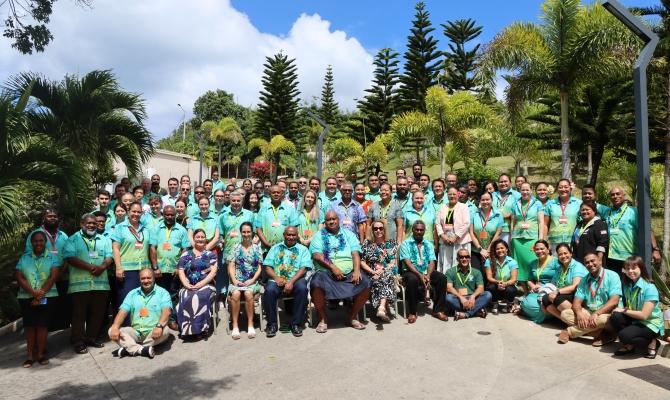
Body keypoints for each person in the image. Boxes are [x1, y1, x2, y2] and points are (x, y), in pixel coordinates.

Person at [309, 211, 371, 332]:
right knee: (315, 284)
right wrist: (333, 267)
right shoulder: (319, 235)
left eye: (334, 219)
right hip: (326, 272)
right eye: (328, 220)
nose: (331, 221)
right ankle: (323, 318)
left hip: (348, 272)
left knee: (366, 283)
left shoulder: (349, 234)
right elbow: (317, 255)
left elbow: (355, 253)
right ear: (325, 222)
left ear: (339, 220)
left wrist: (357, 270)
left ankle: (351, 317)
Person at [63, 214, 113, 354]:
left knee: (97, 313)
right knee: (79, 315)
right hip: (80, 286)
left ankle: (91, 338)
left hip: (100, 284)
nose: (92, 225)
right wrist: (90, 267)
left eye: (94, 223)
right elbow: (70, 257)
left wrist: (102, 267)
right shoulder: (73, 239)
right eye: (89, 223)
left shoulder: (104, 239)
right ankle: (78, 341)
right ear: (82, 223)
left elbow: (110, 256)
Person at [557, 252, 621, 345]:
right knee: (565, 314)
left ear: (599, 261)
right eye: (587, 263)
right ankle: (603, 334)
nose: (590, 264)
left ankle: (569, 331)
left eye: (592, 261)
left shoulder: (612, 275)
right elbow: (576, 302)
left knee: (603, 320)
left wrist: (597, 313)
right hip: (590, 313)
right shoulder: (584, 280)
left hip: (607, 314)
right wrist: (579, 314)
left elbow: (614, 301)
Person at [16, 231, 59, 367]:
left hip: (48, 296)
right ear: (31, 242)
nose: (38, 243)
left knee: (42, 326)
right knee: (30, 326)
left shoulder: (52, 257)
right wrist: (33, 293)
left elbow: (53, 276)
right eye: (35, 241)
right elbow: (19, 276)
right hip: (26, 297)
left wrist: (40, 293)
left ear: (45, 242)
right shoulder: (24, 258)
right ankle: (29, 356)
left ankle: (40, 354)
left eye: (41, 240)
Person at [108, 268, 171, 358]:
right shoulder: (132, 293)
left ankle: (129, 347)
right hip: (136, 332)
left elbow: (166, 311)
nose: (146, 281)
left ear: (154, 278)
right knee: (111, 331)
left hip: (154, 331)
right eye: (143, 278)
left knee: (165, 331)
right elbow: (122, 312)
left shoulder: (163, 293)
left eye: (149, 278)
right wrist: (115, 326)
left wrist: (159, 326)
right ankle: (141, 349)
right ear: (139, 280)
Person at [611, 256, 664, 358]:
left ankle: (653, 341)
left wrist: (623, 310)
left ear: (641, 268)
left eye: (634, 268)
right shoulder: (628, 285)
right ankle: (630, 345)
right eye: (627, 268)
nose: (630, 271)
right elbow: (623, 302)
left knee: (624, 335)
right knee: (615, 316)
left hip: (650, 323)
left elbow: (644, 315)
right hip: (636, 319)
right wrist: (619, 308)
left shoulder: (649, 287)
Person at [25, 209, 70, 330]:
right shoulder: (35, 234)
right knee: (45, 306)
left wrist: (62, 271)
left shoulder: (63, 235)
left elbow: (69, 254)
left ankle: (59, 329)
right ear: (44, 218)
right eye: (49, 216)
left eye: (55, 216)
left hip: (62, 276)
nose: (52, 218)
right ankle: (44, 330)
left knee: (61, 304)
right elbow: (29, 255)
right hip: (44, 278)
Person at [263, 227, 312, 337]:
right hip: (278, 279)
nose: (291, 237)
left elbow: (304, 268)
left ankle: (296, 323)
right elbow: (267, 267)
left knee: (302, 288)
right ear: (284, 235)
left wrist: (291, 282)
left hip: (296, 279)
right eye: (288, 235)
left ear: (297, 235)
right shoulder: (275, 248)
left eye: (293, 235)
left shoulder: (303, 249)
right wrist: (276, 278)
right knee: (269, 290)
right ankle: (272, 324)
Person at [603, 187, 662, 274]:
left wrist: (655, 250)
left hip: (629, 257)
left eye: (618, 194)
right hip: (611, 257)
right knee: (615, 284)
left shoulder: (634, 212)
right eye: (612, 195)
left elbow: (648, 230)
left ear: (624, 195)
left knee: (630, 283)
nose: (615, 196)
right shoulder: (607, 212)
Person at [399, 220, 448, 323]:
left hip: (426, 270)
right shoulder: (405, 243)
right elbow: (407, 262)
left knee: (442, 278)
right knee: (412, 280)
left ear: (425, 231)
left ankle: (438, 310)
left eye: (421, 230)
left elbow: (431, 261)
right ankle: (412, 312)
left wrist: (428, 275)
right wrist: (420, 274)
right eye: (417, 229)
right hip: (410, 271)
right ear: (412, 230)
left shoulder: (429, 244)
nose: (419, 231)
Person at [175, 229, 217, 339]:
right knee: (185, 295)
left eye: (202, 237)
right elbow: (180, 271)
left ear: (206, 239)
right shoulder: (185, 254)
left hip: (207, 285)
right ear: (193, 239)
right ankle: (186, 329)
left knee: (201, 295)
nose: (200, 239)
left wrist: (201, 284)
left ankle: (202, 329)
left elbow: (213, 272)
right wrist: (185, 284)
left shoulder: (210, 255)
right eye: (197, 237)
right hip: (188, 285)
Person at [226, 222, 263, 339]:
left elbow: (259, 267)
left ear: (252, 232)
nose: (246, 234)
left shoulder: (257, 248)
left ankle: (250, 324)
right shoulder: (235, 247)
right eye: (244, 232)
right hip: (237, 280)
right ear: (241, 233)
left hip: (252, 281)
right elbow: (231, 265)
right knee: (236, 294)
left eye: (248, 232)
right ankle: (236, 325)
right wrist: (234, 280)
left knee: (248, 293)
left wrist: (252, 280)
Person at [111, 202, 151, 309]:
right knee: (126, 301)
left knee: (142, 301)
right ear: (128, 212)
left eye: (139, 212)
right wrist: (118, 268)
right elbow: (115, 248)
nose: (136, 214)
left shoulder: (145, 229)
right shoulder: (120, 228)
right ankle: (125, 325)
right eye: (133, 211)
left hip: (144, 271)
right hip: (127, 271)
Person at [360, 220, 399, 323]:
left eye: (380, 228)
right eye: (375, 228)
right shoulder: (367, 243)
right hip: (372, 273)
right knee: (380, 280)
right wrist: (373, 272)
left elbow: (393, 262)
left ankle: (381, 307)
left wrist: (382, 271)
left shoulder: (391, 243)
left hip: (388, 270)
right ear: (372, 230)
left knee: (386, 276)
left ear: (384, 229)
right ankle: (384, 307)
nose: (378, 230)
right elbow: (362, 262)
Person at [541, 243, 588, 321]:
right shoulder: (560, 268)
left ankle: (580, 319)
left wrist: (557, 292)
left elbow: (575, 286)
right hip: (566, 294)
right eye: (560, 254)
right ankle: (568, 321)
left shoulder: (577, 266)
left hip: (580, 295)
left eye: (565, 253)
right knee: (545, 299)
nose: (563, 256)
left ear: (571, 253)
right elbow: (553, 284)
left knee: (556, 298)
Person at [149, 205, 190, 294]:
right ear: (163, 215)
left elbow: (185, 249)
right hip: (159, 270)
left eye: (172, 215)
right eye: (167, 215)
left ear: (175, 215)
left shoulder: (182, 230)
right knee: (159, 294)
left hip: (174, 270)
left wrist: (179, 267)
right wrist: (155, 268)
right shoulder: (156, 229)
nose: (169, 217)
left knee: (174, 295)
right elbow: (152, 248)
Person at [510, 182, 545, 282]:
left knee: (532, 262)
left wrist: (541, 239)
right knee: (519, 264)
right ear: (520, 191)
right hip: (518, 238)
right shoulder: (515, 204)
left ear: (531, 190)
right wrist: (511, 236)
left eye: (527, 190)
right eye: (522, 190)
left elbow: (541, 222)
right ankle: (524, 290)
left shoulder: (537, 203)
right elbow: (513, 221)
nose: (525, 192)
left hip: (532, 238)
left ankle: (533, 286)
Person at [445, 248, 492, 320]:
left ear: (470, 258)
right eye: (461, 257)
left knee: (488, 295)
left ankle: (466, 314)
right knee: (448, 298)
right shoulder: (450, 271)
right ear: (457, 259)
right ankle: (476, 311)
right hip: (458, 299)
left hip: (472, 299)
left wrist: (473, 296)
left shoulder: (476, 272)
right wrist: (461, 297)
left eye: (467, 257)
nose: (464, 259)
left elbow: (481, 288)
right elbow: (449, 288)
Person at [436, 186, 471, 272]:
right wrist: (442, 236)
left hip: (460, 242)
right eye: (450, 194)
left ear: (458, 195)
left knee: (459, 265)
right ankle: (445, 284)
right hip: (445, 241)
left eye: (454, 194)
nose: (452, 196)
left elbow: (466, 223)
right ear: (447, 196)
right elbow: (437, 223)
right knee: (445, 266)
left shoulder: (463, 207)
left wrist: (456, 236)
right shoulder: (443, 207)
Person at [519, 240, 555, 323]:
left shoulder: (555, 262)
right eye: (537, 249)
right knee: (526, 302)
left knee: (536, 306)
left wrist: (544, 287)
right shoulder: (533, 263)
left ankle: (544, 315)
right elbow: (529, 280)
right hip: (537, 291)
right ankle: (548, 316)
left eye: (542, 249)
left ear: (548, 249)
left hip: (551, 290)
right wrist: (533, 286)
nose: (539, 251)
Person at [256, 185, 299, 252]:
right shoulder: (263, 209)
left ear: (282, 194)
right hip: (266, 249)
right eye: (273, 192)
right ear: (269, 194)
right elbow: (258, 229)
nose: (276, 194)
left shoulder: (290, 209)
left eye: (278, 192)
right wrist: (267, 244)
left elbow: (295, 228)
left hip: (286, 249)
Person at [469, 192, 504, 276]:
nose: (485, 202)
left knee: (489, 273)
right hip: (476, 250)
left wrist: (488, 250)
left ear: (492, 200)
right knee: (476, 273)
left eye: (487, 199)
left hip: (492, 250)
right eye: (483, 200)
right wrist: (480, 249)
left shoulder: (498, 215)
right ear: (480, 201)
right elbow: (471, 232)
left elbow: (498, 234)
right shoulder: (474, 214)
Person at [545, 179, 582, 253]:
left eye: (566, 187)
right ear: (557, 189)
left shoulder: (578, 203)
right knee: (556, 263)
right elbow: (545, 224)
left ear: (570, 188)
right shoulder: (550, 204)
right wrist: (545, 241)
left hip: (573, 241)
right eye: (560, 187)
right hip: (554, 241)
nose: (563, 189)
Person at [484, 239, 518, 314]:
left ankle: (510, 304)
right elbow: (489, 277)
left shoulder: (512, 262)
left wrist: (505, 284)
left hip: (507, 286)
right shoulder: (489, 261)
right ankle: (494, 303)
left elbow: (513, 279)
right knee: (491, 287)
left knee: (511, 290)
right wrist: (498, 282)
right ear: (495, 250)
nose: (500, 250)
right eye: (497, 249)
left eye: (502, 248)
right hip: (495, 286)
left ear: (506, 249)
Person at [492, 174, 521, 243]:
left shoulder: (517, 195)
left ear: (510, 183)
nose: (503, 183)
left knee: (507, 252)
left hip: (508, 230)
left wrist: (508, 215)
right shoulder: (493, 195)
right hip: (493, 229)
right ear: (498, 183)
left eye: (505, 181)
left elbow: (521, 211)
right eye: (501, 182)